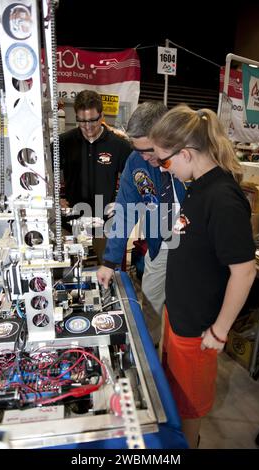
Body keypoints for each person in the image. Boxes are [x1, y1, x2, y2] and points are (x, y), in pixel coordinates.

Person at [149, 104, 256, 448]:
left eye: (166, 161)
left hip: (198, 332)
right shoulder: (197, 185)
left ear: (187, 153)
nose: (165, 170)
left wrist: (220, 330)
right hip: (179, 318)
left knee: (189, 413)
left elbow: (244, 271)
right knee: (176, 403)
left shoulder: (223, 198)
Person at [97, 101, 187, 345]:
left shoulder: (191, 157)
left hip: (196, 248)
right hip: (161, 244)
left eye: (149, 150)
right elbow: (125, 211)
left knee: (188, 311)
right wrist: (110, 261)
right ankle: (152, 352)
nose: (146, 158)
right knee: (150, 300)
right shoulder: (137, 162)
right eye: (139, 151)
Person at [59, 90, 131, 263]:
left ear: (102, 116)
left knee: (109, 270)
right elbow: (45, 175)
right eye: (82, 121)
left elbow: (132, 181)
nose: (88, 126)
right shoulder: (63, 143)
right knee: (68, 272)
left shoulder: (119, 146)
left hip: (105, 222)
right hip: (71, 222)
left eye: (93, 120)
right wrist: (55, 197)